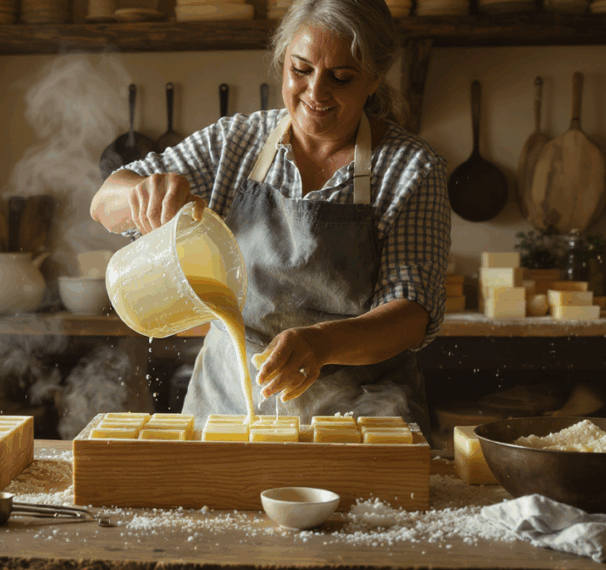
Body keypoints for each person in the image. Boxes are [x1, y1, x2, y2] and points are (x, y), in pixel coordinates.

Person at [90, 0, 451, 443]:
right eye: (301, 70)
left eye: (341, 77)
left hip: (358, 413)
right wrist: (140, 193)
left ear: (374, 79)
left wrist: (322, 343)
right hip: (228, 405)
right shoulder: (235, 143)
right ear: (283, 64)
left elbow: (411, 315)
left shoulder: (411, 168)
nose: (316, 92)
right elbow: (104, 202)